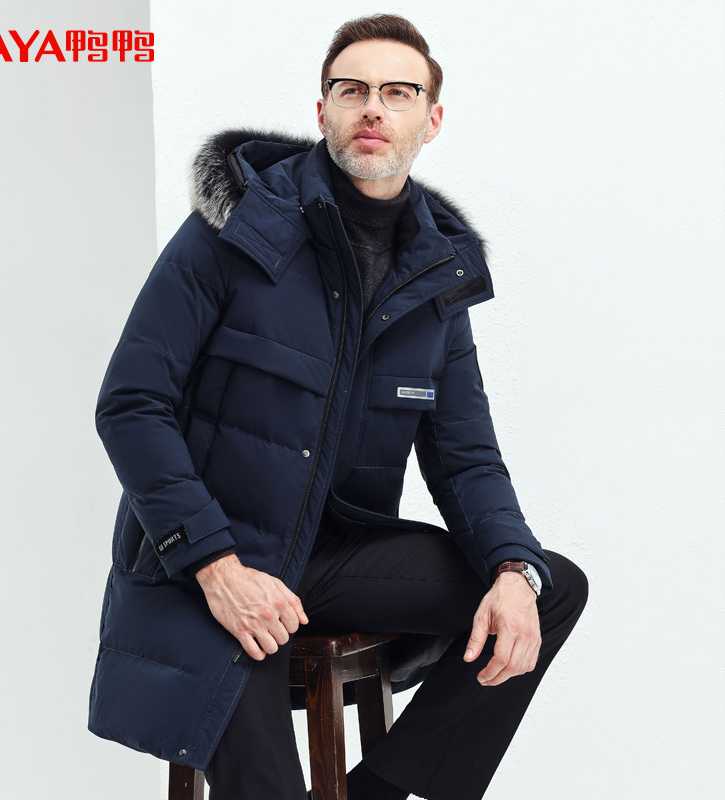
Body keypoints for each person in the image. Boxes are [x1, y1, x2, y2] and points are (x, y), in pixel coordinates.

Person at [88, 13, 588, 800]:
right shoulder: (233, 231)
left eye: (398, 92)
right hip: (208, 561)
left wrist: (510, 569)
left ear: (432, 119)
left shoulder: (434, 277)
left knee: (545, 588)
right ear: (322, 110)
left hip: (333, 558)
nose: (373, 108)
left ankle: (376, 792)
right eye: (352, 89)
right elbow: (131, 404)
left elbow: (466, 457)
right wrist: (217, 566)